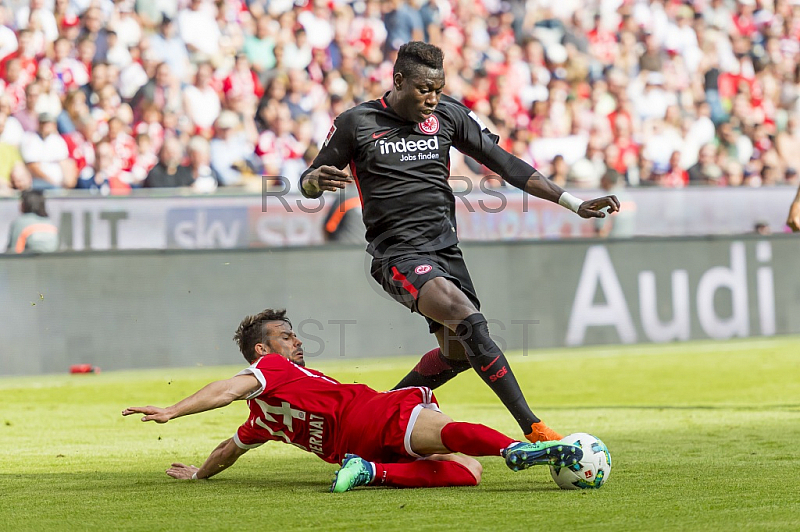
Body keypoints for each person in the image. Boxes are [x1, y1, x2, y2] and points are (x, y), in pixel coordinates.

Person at [299, 42, 619, 443]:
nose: (432, 99)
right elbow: (309, 180)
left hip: (446, 252)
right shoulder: (356, 123)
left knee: (457, 353)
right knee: (468, 319)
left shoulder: (449, 114)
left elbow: (505, 164)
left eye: (437, 89)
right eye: (423, 90)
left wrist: (572, 202)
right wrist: (315, 182)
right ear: (398, 81)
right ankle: (533, 427)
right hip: (396, 254)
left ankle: (372, 418)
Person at [122, 309, 582, 491]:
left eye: (296, 334)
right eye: (285, 337)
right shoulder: (271, 369)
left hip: (357, 445)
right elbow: (227, 390)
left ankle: (373, 471)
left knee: (466, 470)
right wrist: (173, 409)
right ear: (262, 351)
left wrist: (200, 473)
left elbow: (230, 448)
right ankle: (517, 448)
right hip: (371, 416)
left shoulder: (260, 422)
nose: (295, 341)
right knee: (440, 425)